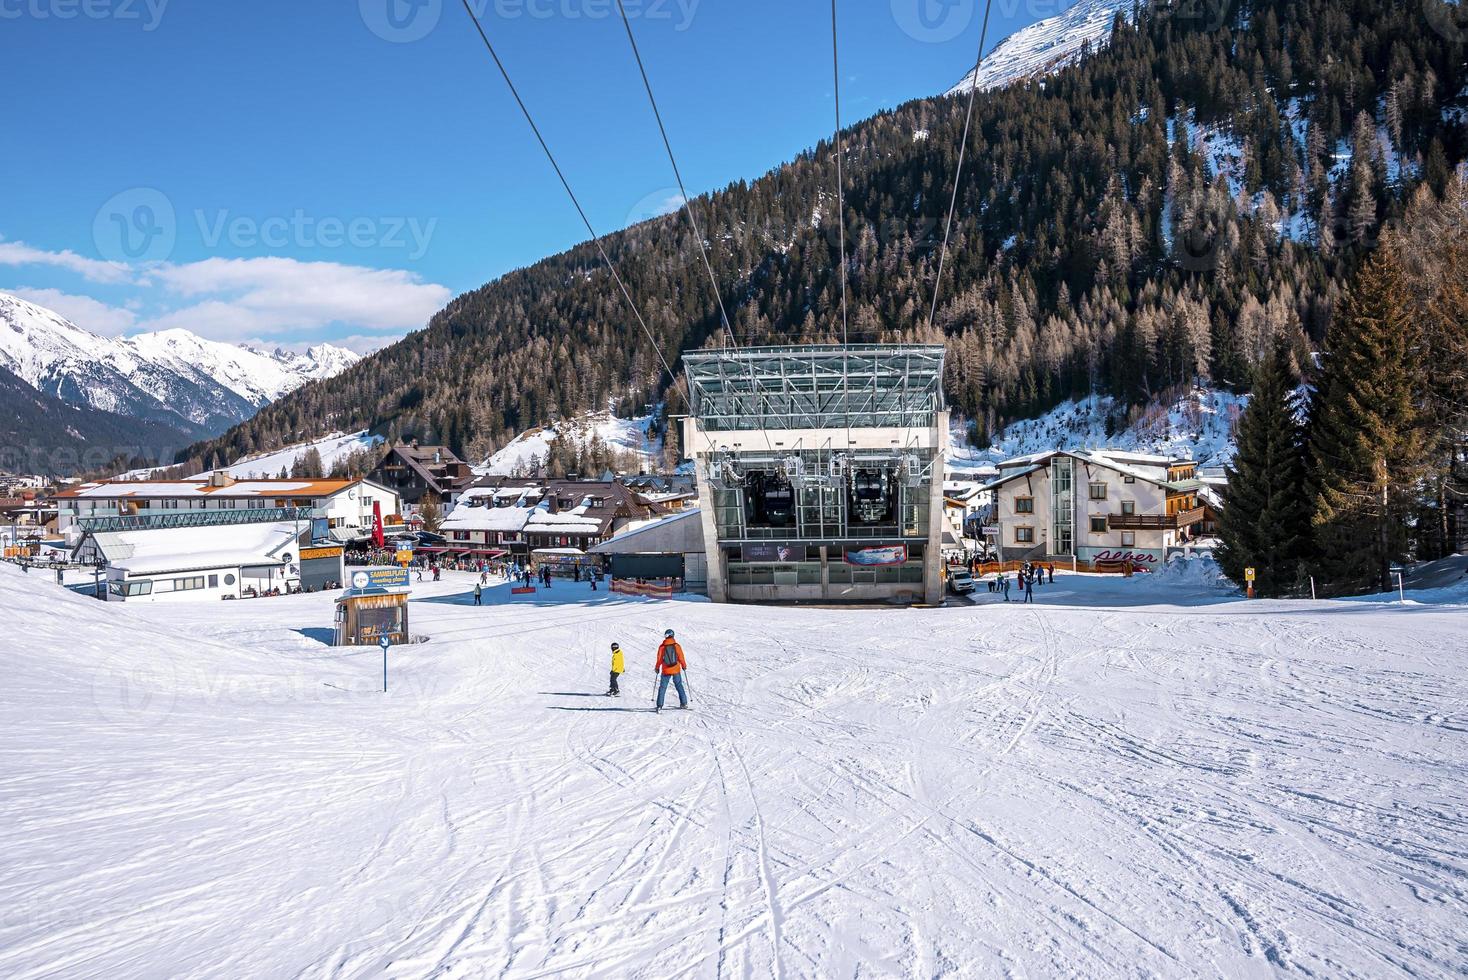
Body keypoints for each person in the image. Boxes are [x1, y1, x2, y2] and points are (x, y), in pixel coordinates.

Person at [654, 629, 689, 712]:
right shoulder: (676, 646)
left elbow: (659, 659)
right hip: (676, 669)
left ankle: (659, 705)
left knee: (662, 688)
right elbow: (681, 657)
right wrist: (684, 665)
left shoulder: (662, 646)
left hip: (666, 670)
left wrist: (657, 667)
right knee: (679, 685)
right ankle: (684, 703)